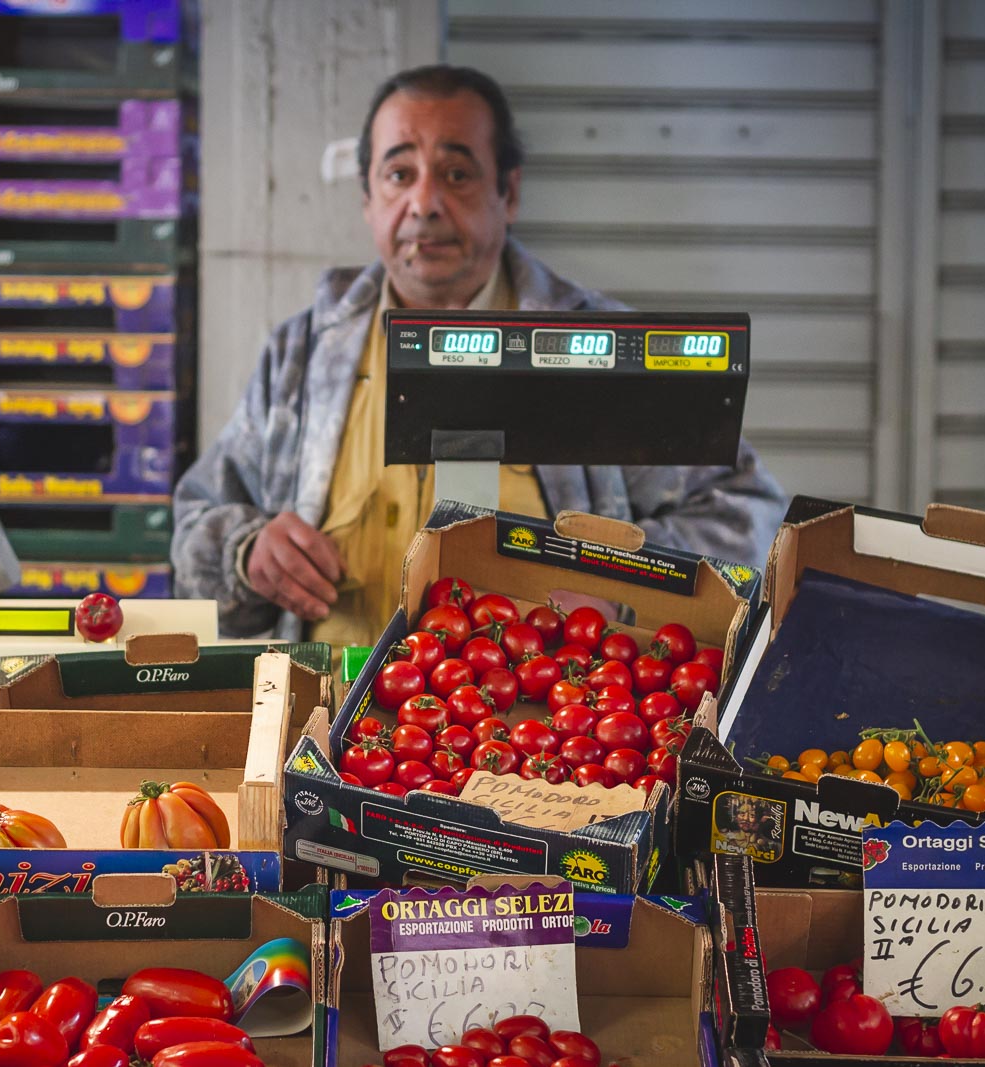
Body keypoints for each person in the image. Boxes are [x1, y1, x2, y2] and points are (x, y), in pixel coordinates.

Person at [173, 64, 787, 643]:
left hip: (549, 736)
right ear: (367, 198)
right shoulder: (301, 357)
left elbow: (748, 519)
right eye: (399, 174)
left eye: (457, 174)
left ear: (509, 192)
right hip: (331, 729)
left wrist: (620, 581)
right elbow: (192, 525)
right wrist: (245, 552)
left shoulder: (599, 353)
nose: (425, 203)